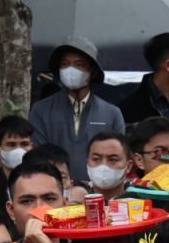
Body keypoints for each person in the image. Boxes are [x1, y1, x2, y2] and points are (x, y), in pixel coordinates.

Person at [29, 38, 125, 177]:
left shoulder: (111, 113)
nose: (71, 69)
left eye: (79, 64)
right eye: (65, 64)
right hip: (55, 190)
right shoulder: (40, 111)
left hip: (98, 191)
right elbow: (38, 156)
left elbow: (117, 157)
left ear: (93, 71)